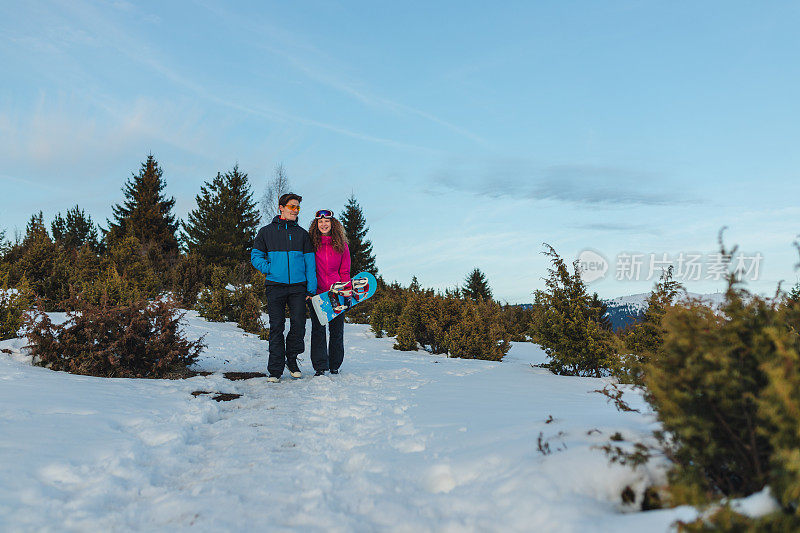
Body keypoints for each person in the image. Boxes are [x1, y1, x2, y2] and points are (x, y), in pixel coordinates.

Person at [251, 193, 316, 382]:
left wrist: (311, 289)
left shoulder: (302, 234)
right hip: (275, 286)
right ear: (281, 207)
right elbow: (256, 256)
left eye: (297, 208)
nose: (295, 211)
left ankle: (292, 360)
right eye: (292, 207)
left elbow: (310, 264)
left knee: (299, 324)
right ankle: (275, 369)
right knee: (276, 327)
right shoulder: (266, 232)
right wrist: (270, 269)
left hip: (298, 288)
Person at [307, 209, 350, 376]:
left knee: (336, 331)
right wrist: (308, 291)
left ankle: (334, 365)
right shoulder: (311, 245)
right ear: (316, 225)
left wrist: (346, 292)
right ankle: (320, 367)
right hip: (317, 294)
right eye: (320, 222)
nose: (323, 224)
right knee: (318, 330)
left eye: (326, 221)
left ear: (333, 224)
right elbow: (307, 268)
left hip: (336, 294)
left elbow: (345, 271)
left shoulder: (342, 246)